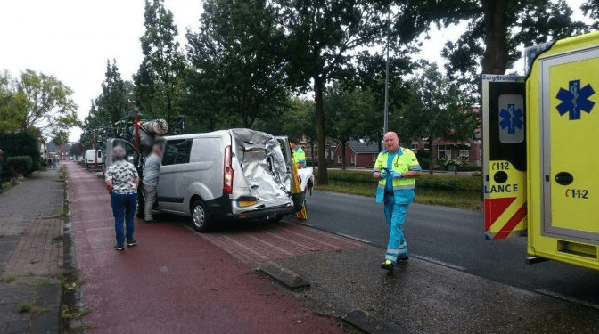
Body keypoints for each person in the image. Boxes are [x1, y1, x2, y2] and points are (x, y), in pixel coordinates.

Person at [372, 131, 422, 271]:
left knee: (395, 225)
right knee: (391, 224)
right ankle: (403, 252)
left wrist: (401, 174)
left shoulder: (407, 154)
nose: (389, 142)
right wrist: (379, 174)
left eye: (391, 140)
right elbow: (374, 172)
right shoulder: (382, 155)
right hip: (386, 196)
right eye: (386, 140)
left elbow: (418, 171)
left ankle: (390, 259)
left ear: (398, 140)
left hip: (402, 196)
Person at [104, 145, 140, 250]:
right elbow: (137, 179)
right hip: (131, 195)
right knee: (130, 218)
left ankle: (120, 244)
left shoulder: (111, 168)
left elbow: (108, 184)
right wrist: (134, 188)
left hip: (117, 195)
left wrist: (112, 189)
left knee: (119, 218)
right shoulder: (131, 166)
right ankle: (130, 240)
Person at [143, 142, 162, 222]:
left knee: (149, 199)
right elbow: (163, 165)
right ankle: (148, 218)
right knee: (150, 200)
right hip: (151, 182)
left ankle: (151, 212)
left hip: (146, 180)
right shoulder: (157, 158)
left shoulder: (149, 157)